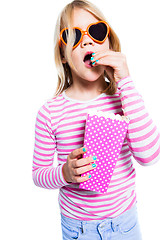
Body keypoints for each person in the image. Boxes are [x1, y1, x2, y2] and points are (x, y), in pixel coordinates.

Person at [32, 0, 160, 239]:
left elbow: (149, 155)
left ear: (109, 42)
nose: (88, 41)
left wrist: (125, 81)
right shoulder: (50, 112)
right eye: (74, 35)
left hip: (125, 224)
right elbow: (39, 174)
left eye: (97, 31)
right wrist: (65, 173)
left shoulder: (124, 98)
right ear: (62, 54)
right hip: (77, 229)